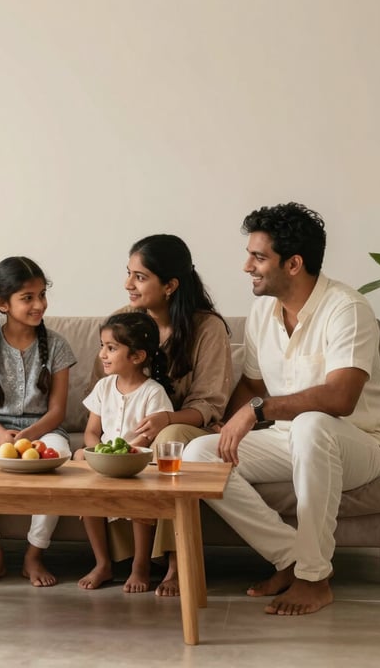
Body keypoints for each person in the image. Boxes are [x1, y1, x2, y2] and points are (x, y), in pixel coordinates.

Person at [185, 202, 380, 616]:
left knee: (312, 425)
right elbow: (252, 385)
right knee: (199, 456)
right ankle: (290, 558)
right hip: (287, 438)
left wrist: (257, 411)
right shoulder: (263, 311)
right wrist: (226, 425)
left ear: (294, 263)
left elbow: (340, 399)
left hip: (359, 445)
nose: (247, 266)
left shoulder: (347, 309)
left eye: (259, 256)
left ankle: (315, 578)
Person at [87, 234, 233, 596]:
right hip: (135, 434)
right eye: (128, 274)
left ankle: (175, 560)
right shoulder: (125, 321)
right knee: (111, 449)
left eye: (140, 277)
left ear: (170, 285)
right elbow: (104, 389)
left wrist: (167, 419)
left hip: (186, 430)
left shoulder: (208, 328)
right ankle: (116, 559)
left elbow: (211, 405)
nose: (128, 284)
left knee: (167, 442)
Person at [0, 256, 76, 587]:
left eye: (42, 295)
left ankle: (33, 555)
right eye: (28, 298)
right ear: (2, 303)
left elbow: (57, 411)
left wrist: (25, 436)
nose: (39, 305)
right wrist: (1, 436)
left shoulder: (57, 346)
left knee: (58, 465)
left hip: (44, 429)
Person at [75, 311, 174, 592]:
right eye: (102, 346)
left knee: (140, 498)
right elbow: (91, 431)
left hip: (135, 462)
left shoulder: (153, 393)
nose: (102, 354)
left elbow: (148, 439)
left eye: (111, 348)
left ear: (137, 356)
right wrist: (96, 452)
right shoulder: (104, 386)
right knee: (81, 469)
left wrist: (123, 457)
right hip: (104, 461)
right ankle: (102, 563)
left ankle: (140, 565)